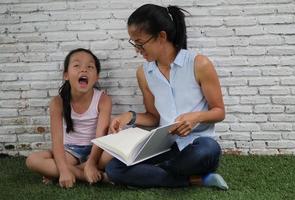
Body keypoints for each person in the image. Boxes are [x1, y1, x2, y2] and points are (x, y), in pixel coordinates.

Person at [105, 4, 228, 190]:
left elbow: (219, 112)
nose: (137, 50)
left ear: (161, 36)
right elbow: (153, 117)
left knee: (207, 151)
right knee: (114, 168)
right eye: (134, 43)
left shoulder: (199, 64)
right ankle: (194, 180)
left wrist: (195, 117)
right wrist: (129, 116)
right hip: (166, 146)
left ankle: (151, 173)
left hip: (197, 144)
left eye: (140, 43)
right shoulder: (144, 73)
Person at [26, 48, 112, 188]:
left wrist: (91, 162)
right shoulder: (57, 102)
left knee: (111, 154)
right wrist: (64, 171)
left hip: (97, 150)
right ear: (66, 75)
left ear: (97, 77)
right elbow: (57, 141)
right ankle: (91, 176)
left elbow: (100, 136)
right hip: (70, 151)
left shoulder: (103, 99)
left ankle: (60, 171)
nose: (83, 70)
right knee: (32, 160)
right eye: (77, 65)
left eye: (90, 67)